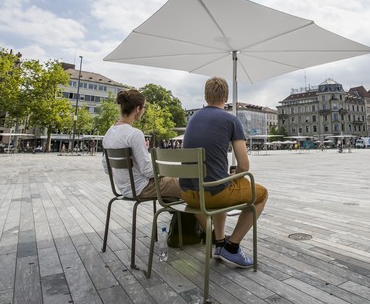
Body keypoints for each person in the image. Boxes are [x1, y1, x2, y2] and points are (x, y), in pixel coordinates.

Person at [181, 77, 268, 268]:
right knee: (260, 194)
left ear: (206, 96)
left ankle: (219, 242)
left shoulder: (193, 118)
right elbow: (244, 166)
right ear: (226, 97)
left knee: (223, 182)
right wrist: (235, 174)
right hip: (212, 195)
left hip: (188, 194)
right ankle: (232, 246)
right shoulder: (231, 120)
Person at [102, 89, 181, 199]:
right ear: (138, 108)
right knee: (185, 185)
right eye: (144, 107)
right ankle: (185, 216)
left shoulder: (109, 133)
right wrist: (170, 170)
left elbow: (107, 169)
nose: (144, 111)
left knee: (169, 182)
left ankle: (176, 215)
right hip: (142, 188)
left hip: (124, 189)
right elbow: (148, 171)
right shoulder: (134, 134)